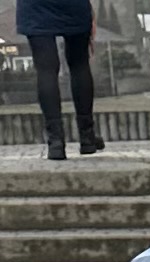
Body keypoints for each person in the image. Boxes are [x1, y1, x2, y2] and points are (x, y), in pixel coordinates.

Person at [16, 0, 103, 160]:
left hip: (35, 7)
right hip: (73, 6)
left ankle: (55, 141)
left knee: (46, 70)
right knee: (79, 64)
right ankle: (87, 137)